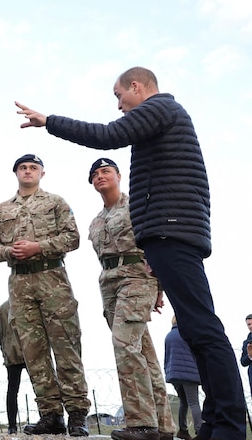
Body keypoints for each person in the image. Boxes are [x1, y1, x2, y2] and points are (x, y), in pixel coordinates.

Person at [16, 66, 246, 440]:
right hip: (168, 234)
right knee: (194, 327)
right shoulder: (162, 120)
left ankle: (229, 426)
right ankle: (218, 421)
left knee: (203, 329)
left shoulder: (160, 109)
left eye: (119, 95)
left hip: (172, 231)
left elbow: (107, 136)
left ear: (137, 87)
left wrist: (50, 121)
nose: (120, 104)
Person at [0, 154, 90, 437]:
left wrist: (38, 246)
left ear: (42, 173)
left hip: (53, 279)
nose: (28, 171)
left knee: (66, 346)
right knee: (33, 352)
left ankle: (78, 413)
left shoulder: (55, 202)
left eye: (33, 168)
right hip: (20, 283)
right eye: (23, 168)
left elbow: (73, 237)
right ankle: (50, 413)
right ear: (16, 173)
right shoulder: (2, 209)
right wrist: (10, 251)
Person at [87, 157, 175, 440]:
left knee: (124, 344)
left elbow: (156, 241)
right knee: (142, 352)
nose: (101, 176)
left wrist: (159, 287)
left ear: (118, 176)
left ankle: (141, 423)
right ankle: (163, 425)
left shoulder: (136, 205)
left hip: (137, 278)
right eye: (96, 174)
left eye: (106, 171)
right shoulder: (96, 221)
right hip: (109, 283)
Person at [165, 317, 203, 440]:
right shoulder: (188, 334)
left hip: (174, 374)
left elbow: (167, 357)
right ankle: (199, 430)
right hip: (189, 374)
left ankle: (183, 429)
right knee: (194, 402)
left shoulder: (169, 336)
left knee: (183, 402)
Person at [0, 300, 28, 434]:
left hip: (10, 352)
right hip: (29, 350)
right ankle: (47, 417)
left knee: (12, 390)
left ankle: (12, 426)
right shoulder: (25, 303)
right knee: (40, 387)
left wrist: (5, 345)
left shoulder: (0, 310)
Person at [239, 314, 252, 400]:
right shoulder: (247, 343)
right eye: (249, 324)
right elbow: (243, 362)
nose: (251, 326)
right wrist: (250, 356)